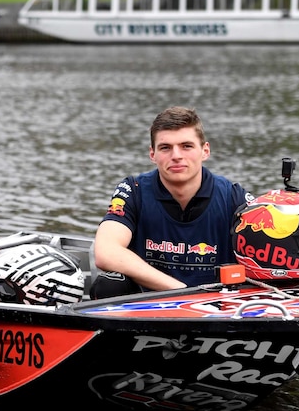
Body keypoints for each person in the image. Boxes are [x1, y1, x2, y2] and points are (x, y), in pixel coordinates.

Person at [91, 106, 252, 298]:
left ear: (205, 151)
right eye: (165, 148)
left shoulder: (233, 197)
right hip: (149, 308)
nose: (176, 156)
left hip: (216, 310)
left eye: (186, 146)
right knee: (109, 285)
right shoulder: (133, 190)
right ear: (153, 155)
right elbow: (105, 251)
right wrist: (180, 292)